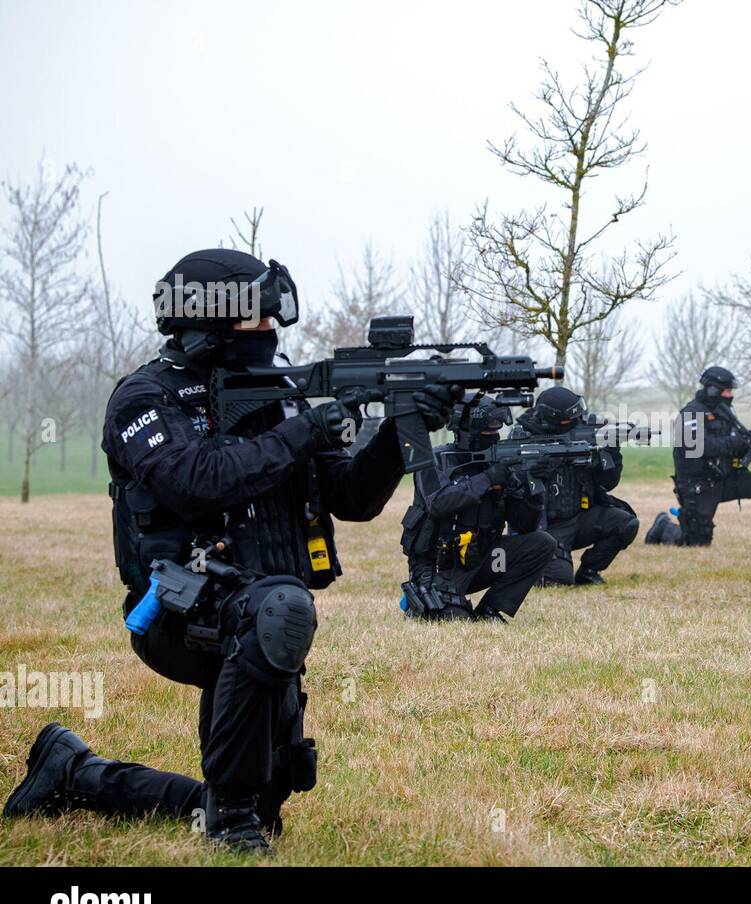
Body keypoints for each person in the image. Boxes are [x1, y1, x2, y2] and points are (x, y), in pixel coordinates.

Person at [2, 248, 459, 851]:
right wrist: (302, 431)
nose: (270, 332)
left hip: (263, 611)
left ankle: (77, 772)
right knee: (280, 614)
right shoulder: (145, 398)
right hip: (178, 610)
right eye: (257, 320)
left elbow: (352, 498)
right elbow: (198, 481)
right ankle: (231, 824)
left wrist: (402, 434)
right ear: (211, 322)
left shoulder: (282, 393)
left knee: (262, 799)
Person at [400, 396, 554, 621]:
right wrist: (488, 479)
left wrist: (535, 486)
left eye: (497, 430)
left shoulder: (498, 464)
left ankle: (490, 610)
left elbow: (525, 525)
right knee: (453, 618)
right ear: (466, 431)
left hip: (483, 558)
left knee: (541, 544)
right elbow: (440, 503)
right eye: (487, 431)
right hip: (440, 565)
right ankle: (428, 604)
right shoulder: (434, 461)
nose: (493, 436)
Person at [647, 367, 751, 549]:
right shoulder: (690, 414)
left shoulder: (725, 412)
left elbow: (732, 446)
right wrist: (735, 442)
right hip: (698, 484)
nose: (730, 395)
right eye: (727, 391)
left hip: (724, 478)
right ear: (712, 390)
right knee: (696, 542)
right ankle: (664, 526)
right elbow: (700, 446)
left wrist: (749, 449)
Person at [507, 387, 638, 585]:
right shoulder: (522, 437)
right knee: (557, 581)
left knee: (625, 524)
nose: (576, 423)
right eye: (570, 421)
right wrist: (531, 474)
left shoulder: (587, 432)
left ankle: (589, 572)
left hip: (580, 518)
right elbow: (510, 490)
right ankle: (532, 564)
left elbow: (608, 484)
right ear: (550, 419)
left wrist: (612, 453)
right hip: (544, 529)